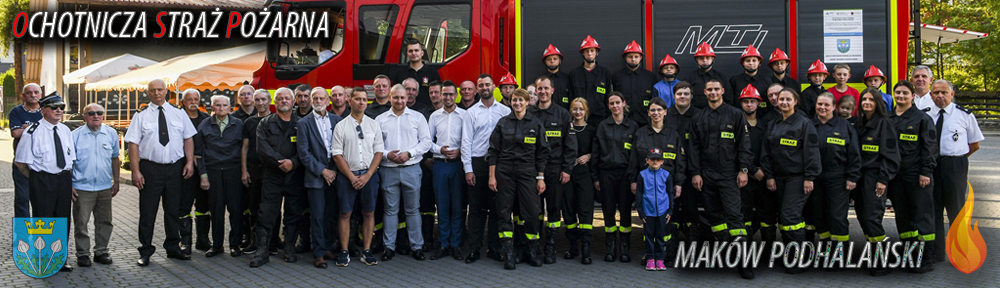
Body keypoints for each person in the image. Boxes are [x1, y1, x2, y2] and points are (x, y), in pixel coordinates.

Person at [125, 80, 197, 266]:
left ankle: (173, 247)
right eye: (152, 90)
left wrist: (189, 162)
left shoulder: (178, 112)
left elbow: (188, 138)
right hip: (150, 169)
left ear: (166, 91)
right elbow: (133, 144)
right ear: (147, 93)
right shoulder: (140, 116)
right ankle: (146, 250)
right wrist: (136, 171)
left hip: (175, 168)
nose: (156, 93)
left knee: (173, 210)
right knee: (148, 212)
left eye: (160, 89)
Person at [688, 78, 753, 279]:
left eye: (717, 89)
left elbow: (744, 145)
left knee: (735, 216)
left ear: (722, 91)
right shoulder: (698, 118)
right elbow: (693, 149)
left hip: (728, 174)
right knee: (715, 217)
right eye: (710, 89)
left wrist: (744, 170)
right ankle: (726, 254)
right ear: (705, 92)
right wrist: (696, 173)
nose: (713, 92)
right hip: (706, 175)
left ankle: (744, 262)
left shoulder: (735, 114)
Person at [760, 87, 821, 275]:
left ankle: (800, 259)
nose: (784, 102)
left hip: (798, 177)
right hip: (778, 178)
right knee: (785, 219)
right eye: (781, 99)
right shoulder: (773, 123)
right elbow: (766, 152)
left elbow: (811, 152)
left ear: (795, 102)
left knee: (790, 217)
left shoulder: (804, 124)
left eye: (788, 99)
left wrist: (809, 177)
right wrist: (769, 175)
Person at [489, 89, 550, 270]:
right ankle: (508, 253)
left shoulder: (536, 124)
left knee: (532, 212)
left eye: (520, 101)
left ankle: (530, 251)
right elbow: (493, 151)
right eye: (514, 100)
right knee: (504, 212)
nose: (517, 103)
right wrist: (492, 176)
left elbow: (543, 153)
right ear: (511, 102)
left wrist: (540, 178)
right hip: (505, 172)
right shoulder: (503, 123)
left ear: (527, 102)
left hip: (527, 172)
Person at [15, 92, 76, 272]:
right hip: (42, 180)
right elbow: (20, 162)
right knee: (44, 220)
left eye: (62, 107)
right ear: (43, 110)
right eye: (54, 107)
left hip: (63, 179)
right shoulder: (32, 131)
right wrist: (36, 179)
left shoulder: (65, 130)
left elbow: (70, 159)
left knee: (62, 219)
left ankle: (59, 259)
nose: (59, 111)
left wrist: (69, 182)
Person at [928, 79, 983, 264]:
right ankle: (937, 253)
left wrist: (957, 159)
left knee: (956, 209)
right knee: (933, 209)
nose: (940, 96)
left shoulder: (965, 115)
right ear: (930, 95)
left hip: (955, 165)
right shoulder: (925, 116)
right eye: (936, 93)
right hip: (932, 166)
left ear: (952, 94)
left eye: (944, 92)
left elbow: (974, 144)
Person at [249, 88, 305, 268]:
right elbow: (262, 148)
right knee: (266, 213)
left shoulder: (302, 124)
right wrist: (281, 162)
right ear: (275, 101)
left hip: (295, 176)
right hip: (272, 175)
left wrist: (294, 163)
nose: (283, 101)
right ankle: (262, 250)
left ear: (293, 101)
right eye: (280, 98)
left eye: (287, 98)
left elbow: (306, 149)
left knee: (293, 212)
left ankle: (289, 248)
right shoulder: (265, 123)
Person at [375, 84, 432, 261]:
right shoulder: (380, 119)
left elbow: (426, 142)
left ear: (407, 98)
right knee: (390, 210)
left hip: (412, 169)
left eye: (402, 97)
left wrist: (410, 153)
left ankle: (417, 246)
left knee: (413, 210)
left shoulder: (418, 117)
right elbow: (375, 145)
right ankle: (388, 247)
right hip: (388, 170)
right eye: (396, 97)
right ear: (390, 98)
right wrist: (387, 154)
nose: (399, 101)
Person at [886, 80, 938, 273]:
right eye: (898, 93)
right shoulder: (889, 118)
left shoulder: (922, 119)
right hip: (896, 176)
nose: (901, 96)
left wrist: (926, 171)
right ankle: (909, 255)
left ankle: (926, 259)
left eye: (905, 93)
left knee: (922, 215)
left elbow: (930, 148)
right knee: (903, 216)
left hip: (917, 175)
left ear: (912, 96)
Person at [626, 97, 684, 264]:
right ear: (648, 113)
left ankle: (668, 255)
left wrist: (679, 183)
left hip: (668, 186)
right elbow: (633, 159)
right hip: (647, 188)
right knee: (649, 224)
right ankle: (651, 255)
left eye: (659, 110)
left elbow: (680, 161)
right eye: (653, 110)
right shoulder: (641, 133)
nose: (656, 113)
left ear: (665, 112)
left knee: (669, 221)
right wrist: (633, 180)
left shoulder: (673, 134)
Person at [332, 88, 385, 267]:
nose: (361, 102)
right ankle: (345, 251)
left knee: (369, 212)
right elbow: (337, 154)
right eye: (358, 99)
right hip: (347, 176)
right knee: (345, 213)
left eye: (364, 99)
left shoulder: (373, 124)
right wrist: (351, 177)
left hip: (369, 176)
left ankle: (367, 251)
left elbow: (379, 151)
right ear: (350, 101)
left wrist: (368, 175)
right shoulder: (341, 126)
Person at [528, 75, 577, 264]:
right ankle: (535, 247)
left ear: (552, 90)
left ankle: (550, 248)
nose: (542, 92)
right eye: (539, 89)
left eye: (546, 88)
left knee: (555, 211)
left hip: (556, 170)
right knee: (535, 210)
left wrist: (567, 169)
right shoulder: (530, 113)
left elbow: (570, 145)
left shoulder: (563, 114)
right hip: (533, 170)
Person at [461, 73, 511, 263]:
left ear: (494, 86)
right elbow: (466, 142)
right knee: (475, 209)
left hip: (500, 164)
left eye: (487, 84)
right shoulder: (471, 113)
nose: (484, 87)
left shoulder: (505, 111)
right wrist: (468, 169)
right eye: (480, 85)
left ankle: (494, 248)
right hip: (478, 164)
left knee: (497, 209)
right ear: (477, 89)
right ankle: (474, 249)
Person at [853, 87, 901, 276]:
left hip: (876, 177)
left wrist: (883, 179)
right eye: (864, 99)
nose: (867, 103)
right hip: (860, 177)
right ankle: (873, 256)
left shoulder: (884, 124)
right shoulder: (860, 123)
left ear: (878, 103)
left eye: (871, 100)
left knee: (873, 217)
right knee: (862, 215)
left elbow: (891, 155)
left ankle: (882, 261)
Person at [297, 87, 344, 268]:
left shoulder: (337, 120)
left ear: (328, 100)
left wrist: (334, 171)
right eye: (314, 98)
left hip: (334, 176)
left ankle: (325, 247)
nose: (318, 101)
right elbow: (304, 153)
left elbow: (341, 148)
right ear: (310, 100)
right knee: (316, 215)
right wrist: (323, 171)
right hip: (316, 177)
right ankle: (317, 254)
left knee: (329, 215)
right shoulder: (303, 123)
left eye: (321, 98)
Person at [196, 95, 246, 258]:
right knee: (216, 210)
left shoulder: (238, 124)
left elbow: (244, 149)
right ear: (212, 107)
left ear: (230, 107)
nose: (221, 108)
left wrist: (243, 172)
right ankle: (217, 245)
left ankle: (235, 244)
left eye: (225, 105)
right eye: (218, 105)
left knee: (235, 209)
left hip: (233, 171)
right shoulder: (204, 125)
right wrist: (203, 176)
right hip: (213, 171)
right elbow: (199, 154)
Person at [591, 92, 639, 263]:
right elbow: (596, 153)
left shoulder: (633, 126)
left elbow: (635, 155)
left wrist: (633, 178)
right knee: (608, 211)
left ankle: (625, 249)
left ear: (623, 103)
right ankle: (610, 248)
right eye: (611, 103)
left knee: (625, 212)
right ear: (609, 106)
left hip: (625, 174)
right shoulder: (603, 126)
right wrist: (595, 177)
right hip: (606, 174)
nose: (615, 106)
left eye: (617, 102)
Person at [810, 92, 861, 249]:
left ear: (834, 107)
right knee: (818, 214)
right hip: (814, 177)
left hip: (837, 176)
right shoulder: (808, 125)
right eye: (820, 104)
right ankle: (825, 249)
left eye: (826, 105)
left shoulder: (844, 126)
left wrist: (852, 177)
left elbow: (854, 153)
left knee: (837, 215)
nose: (822, 107)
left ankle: (839, 254)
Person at [71, 103, 119, 268]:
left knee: (105, 221)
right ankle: (83, 254)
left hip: (104, 187)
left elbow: (115, 158)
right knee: (81, 223)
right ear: (84, 116)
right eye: (91, 113)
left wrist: (117, 181)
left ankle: (101, 251)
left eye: (99, 113)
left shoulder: (111, 133)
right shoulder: (75, 136)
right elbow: (69, 163)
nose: (96, 116)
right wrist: (70, 185)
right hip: (82, 188)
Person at [428, 80, 466, 260]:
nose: (448, 97)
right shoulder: (435, 116)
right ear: (441, 95)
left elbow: (469, 140)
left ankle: (455, 244)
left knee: (457, 206)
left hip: (458, 165)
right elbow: (428, 141)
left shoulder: (465, 115)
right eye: (445, 94)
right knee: (442, 206)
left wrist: (459, 151)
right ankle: (443, 244)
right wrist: (439, 150)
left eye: (451, 94)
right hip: (440, 165)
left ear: (456, 95)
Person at [664, 82, 703, 243]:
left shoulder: (699, 116)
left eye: (686, 94)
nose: (683, 97)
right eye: (679, 94)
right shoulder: (666, 115)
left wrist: (697, 172)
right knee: (670, 207)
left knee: (691, 207)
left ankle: (692, 242)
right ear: (674, 96)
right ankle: (670, 244)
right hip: (669, 170)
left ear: (691, 96)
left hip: (692, 170)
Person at [736, 85, 774, 249]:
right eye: (746, 101)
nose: (749, 104)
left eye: (752, 101)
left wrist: (766, 172)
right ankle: (747, 251)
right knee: (745, 215)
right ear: (741, 104)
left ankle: (770, 251)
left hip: (765, 177)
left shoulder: (767, 126)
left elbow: (771, 151)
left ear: (759, 104)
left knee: (768, 215)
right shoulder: (736, 125)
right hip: (745, 177)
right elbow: (734, 152)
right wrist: (751, 170)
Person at [562, 98, 597, 264]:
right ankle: (572, 246)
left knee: (585, 210)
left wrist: (589, 156)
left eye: (581, 109)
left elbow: (597, 151)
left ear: (586, 111)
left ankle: (586, 249)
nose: (577, 112)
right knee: (568, 210)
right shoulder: (566, 128)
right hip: (568, 174)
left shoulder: (591, 130)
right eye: (575, 109)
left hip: (584, 174)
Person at [239, 89, 274, 254]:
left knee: (271, 207)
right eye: (257, 100)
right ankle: (254, 241)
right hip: (253, 169)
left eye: (263, 100)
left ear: (269, 101)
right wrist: (244, 171)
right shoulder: (249, 122)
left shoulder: (275, 120)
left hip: (271, 169)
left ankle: (273, 241)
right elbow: (244, 148)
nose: (260, 103)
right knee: (253, 207)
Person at [179, 89, 212, 255]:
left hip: (204, 167)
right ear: (183, 102)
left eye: (196, 99)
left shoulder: (206, 119)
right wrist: (190, 158)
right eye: (189, 99)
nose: (193, 102)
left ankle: (203, 239)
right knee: (184, 204)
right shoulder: (177, 118)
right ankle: (185, 242)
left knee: (203, 204)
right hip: (184, 168)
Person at [635, 148, 672, 271]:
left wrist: (670, 211)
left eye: (658, 159)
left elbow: (670, 193)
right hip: (648, 211)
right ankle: (650, 259)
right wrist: (640, 211)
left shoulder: (666, 175)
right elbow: (639, 193)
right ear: (647, 161)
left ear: (662, 162)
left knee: (661, 236)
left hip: (662, 211)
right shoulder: (642, 175)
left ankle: (660, 259)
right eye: (652, 159)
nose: (655, 161)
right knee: (649, 236)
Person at [10, 83, 43, 218]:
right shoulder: (16, 111)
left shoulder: (46, 110)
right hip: (21, 163)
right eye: (29, 93)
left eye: (36, 92)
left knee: (43, 200)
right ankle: (23, 236)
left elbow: (51, 131)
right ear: (23, 95)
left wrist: (27, 127)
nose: (33, 95)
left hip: (42, 163)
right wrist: (38, 128)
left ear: (41, 95)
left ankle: (42, 234)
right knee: (22, 199)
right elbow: (16, 133)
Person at [568, 35, 613, 124]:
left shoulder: (605, 73)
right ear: (582, 53)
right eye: (586, 51)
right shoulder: (574, 74)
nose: (589, 53)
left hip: (600, 119)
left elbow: (609, 97)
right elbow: (570, 97)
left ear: (597, 52)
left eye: (592, 50)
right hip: (579, 119)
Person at [613, 40, 659, 126]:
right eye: (630, 56)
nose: (633, 59)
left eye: (636, 56)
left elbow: (655, 99)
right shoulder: (616, 77)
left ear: (641, 58)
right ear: (625, 58)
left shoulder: (650, 76)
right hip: (623, 121)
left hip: (646, 121)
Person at [393, 38, 441, 107]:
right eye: (410, 51)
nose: (413, 53)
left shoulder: (432, 73)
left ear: (422, 53)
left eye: (416, 50)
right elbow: (395, 94)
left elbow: (438, 95)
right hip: (405, 112)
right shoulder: (399, 73)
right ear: (407, 54)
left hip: (426, 112)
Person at [729, 45, 773, 117]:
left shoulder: (767, 81)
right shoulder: (734, 81)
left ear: (759, 62)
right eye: (748, 60)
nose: (751, 63)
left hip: (763, 120)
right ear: (743, 63)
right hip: (738, 120)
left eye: (754, 60)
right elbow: (731, 103)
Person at [684, 42, 731, 107]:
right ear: (696, 59)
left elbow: (729, 99)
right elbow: (685, 100)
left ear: (713, 59)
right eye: (701, 58)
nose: (705, 60)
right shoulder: (689, 78)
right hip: (696, 115)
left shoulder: (721, 77)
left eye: (707, 57)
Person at [540, 44, 572, 109]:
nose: (552, 61)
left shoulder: (567, 78)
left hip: (564, 115)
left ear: (560, 60)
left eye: (555, 59)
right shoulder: (541, 80)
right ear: (545, 62)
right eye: (549, 59)